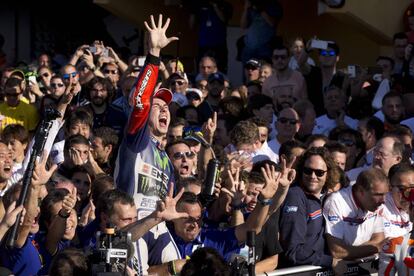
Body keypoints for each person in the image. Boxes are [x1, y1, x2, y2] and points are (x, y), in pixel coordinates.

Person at [113, 14, 183, 274]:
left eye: (167, 106)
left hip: (160, 225)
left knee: (182, 269)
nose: (164, 110)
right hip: (132, 226)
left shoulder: (165, 157)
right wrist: (153, 54)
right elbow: (142, 101)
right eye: (158, 106)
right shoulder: (136, 138)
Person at [279, 147, 335, 267]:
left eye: (319, 172)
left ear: (328, 173)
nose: (313, 176)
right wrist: (330, 261)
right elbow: (294, 251)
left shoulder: (329, 197)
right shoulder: (295, 196)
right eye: (308, 171)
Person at [323, 168, 388, 266]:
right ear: (361, 191)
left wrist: (352, 251)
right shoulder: (336, 202)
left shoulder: (377, 203)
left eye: (385, 194)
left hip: (363, 266)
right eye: (378, 194)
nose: (384, 200)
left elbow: (379, 239)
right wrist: (375, 248)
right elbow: (337, 251)